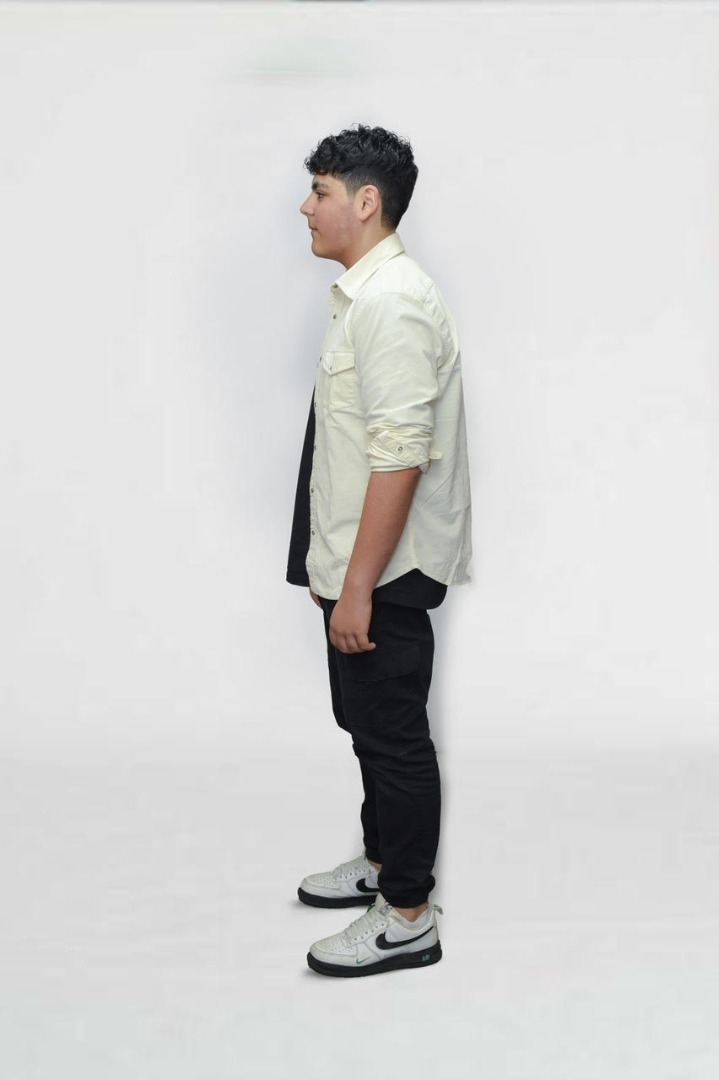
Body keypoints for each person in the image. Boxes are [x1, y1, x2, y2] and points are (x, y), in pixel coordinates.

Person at [286, 124, 471, 977]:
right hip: (361, 564)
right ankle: (381, 861)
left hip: (386, 572)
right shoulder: (365, 295)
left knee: (392, 739)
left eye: (320, 192)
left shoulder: (391, 303)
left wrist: (357, 585)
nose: (305, 207)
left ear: (366, 201)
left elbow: (400, 456)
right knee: (368, 726)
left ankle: (405, 913)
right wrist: (330, 569)